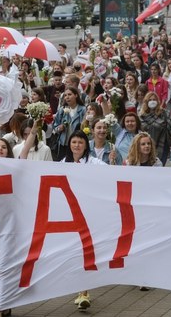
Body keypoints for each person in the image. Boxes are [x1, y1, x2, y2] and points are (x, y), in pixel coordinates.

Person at [61, 129, 106, 310]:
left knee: (85, 252)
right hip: (70, 214)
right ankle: (80, 289)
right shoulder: (63, 163)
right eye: (74, 142)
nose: (77, 145)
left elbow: (111, 175)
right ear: (69, 144)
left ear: (86, 145)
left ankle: (84, 291)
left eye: (80, 142)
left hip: (89, 213)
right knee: (74, 253)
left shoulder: (95, 163)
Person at [139, 92, 171, 165]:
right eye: (150, 100)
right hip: (145, 145)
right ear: (146, 102)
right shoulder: (141, 115)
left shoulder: (165, 113)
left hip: (162, 146)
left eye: (154, 99)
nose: (152, 101)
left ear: (158, 101)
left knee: (159, 166)